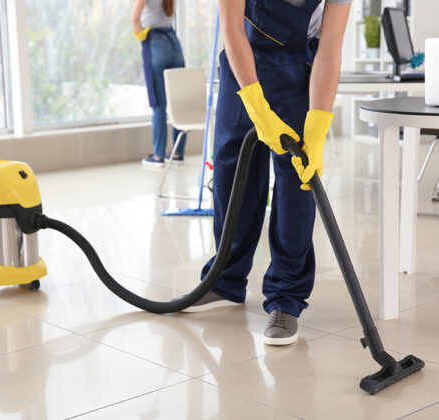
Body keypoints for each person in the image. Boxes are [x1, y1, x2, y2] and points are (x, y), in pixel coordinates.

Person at [185, 0, 352, 346]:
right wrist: (257, 107)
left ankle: (286, 299)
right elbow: (232, 28)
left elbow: (330, 49)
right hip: (241, 63)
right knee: (233, 179)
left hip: (298, 70)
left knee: (295, 187)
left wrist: (317, 127)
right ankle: (224, 280)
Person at [131, 0, 187, 167]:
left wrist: (139, 34)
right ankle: (178, 153)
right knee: (178, 102)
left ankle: (158, 156)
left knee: (158, 105)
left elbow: (135, 18)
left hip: (155, 42)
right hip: (173, 43)